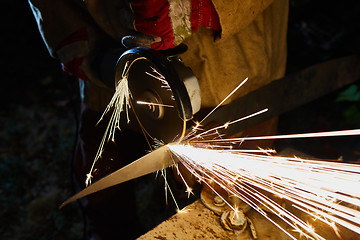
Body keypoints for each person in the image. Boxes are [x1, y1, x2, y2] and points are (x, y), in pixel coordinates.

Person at [28, 0, 288, 239]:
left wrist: (204, 7)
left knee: (230, 202)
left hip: (227, 67)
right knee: (99, 181)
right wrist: (65, 30)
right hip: (109, 51)